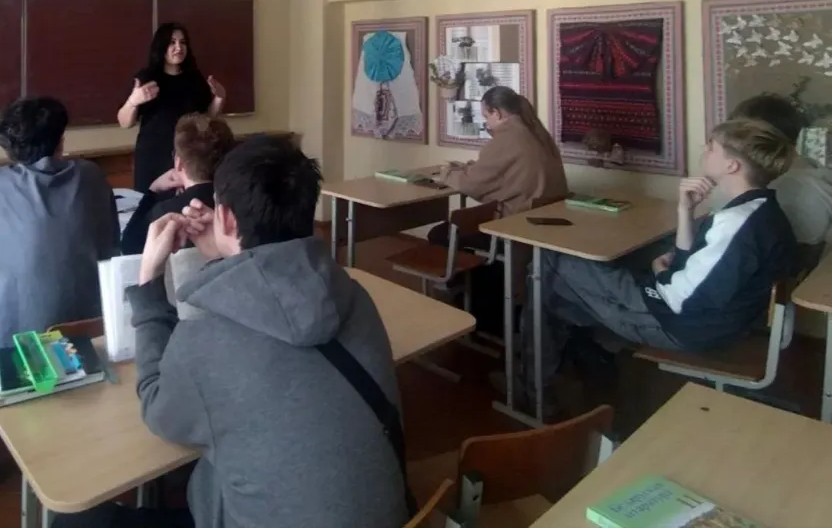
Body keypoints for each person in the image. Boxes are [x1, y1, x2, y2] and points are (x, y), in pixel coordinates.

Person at [57, 136, 409, 528]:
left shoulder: (203, 341)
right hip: (395, 517)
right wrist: (229, 250)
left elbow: (157, 408)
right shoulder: (354, 294)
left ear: (224, 218)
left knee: (71, 522)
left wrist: (148, 285)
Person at [515, 118, 797, 413]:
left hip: (683, 326)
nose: (704, 149)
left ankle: (536, 388)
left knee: (548, 261)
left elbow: (680, 299)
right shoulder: (759, 209)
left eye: (712, 147)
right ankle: (582, 359)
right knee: (556, 291)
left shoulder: (736, 223)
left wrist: (659, 271)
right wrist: (685, 210)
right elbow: (694, 266)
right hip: (714, 319)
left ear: (732, 165)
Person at [0, 97, 121, 497]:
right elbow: (111, 250)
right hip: (89, 349)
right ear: (61, 140)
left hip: (24, 361)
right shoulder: (93, 177)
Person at [430, 85, 569, 251]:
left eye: (486, 116)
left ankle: (478, 268)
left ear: (496, 113)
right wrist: (467, 167)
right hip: (544, 221)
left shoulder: (507, 138)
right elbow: (504, 172)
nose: (486, 122)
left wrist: (447, 173)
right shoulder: (537, 133)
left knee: (439, 234)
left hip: (516, 226)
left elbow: (471, 185)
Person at [117, 23, 227, 192]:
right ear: (162, 47)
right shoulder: (146, 78)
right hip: (153, 156)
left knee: (185, 204)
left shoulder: (195, 78)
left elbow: (206, 119)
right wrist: (133, 101)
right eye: (172, 42)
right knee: (151, 203)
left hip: (188, 155)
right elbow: (124, 122)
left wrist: (220, 98)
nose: (178, 47)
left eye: (183, 42)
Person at [730, 93, 832, 272]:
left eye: (738, 136)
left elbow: (793, 267)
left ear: (761, 139)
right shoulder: (811, 170)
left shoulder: (790, 189)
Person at [120, 113, 235, 255]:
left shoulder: (164, 212)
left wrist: (152, 192)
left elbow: (128, 247)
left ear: (178, 162)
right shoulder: (239, 203)